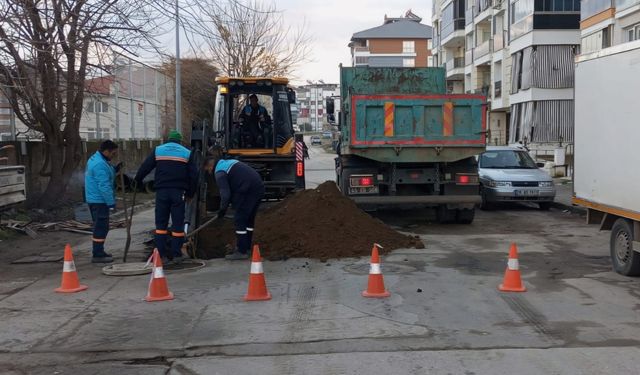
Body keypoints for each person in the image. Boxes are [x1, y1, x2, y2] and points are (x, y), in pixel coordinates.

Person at [135, 130, 198, 264]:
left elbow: (145, 167)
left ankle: (161, 255)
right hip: (178, 192)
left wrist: (137, 181)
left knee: (161, 225)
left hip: (162, 191)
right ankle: (176, 255)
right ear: (180, 141)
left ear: (168, 140)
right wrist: (190, 194)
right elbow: (194, 175)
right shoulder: (186, 153)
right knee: (177, 224)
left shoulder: (158, 150)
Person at [203, 156, 265, 260]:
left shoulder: (219, 172)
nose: (209, 173)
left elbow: (225, 194)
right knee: (249, 220)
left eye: (208, 170)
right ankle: (247, 248)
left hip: (246, 190)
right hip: (258, 187)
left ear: (210, 166)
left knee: (240, 219)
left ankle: (241, 251)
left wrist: (222, 209)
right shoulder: (229, 162)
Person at [85, 140, 122, 263]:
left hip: (95, 199)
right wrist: (111, 203)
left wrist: (115, 169)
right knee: (101, 227)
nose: (114, 156)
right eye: (113, 153)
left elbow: (105, 174)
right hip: (99, 200)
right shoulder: (99, 164)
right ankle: (98, 254)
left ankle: (99, 251)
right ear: (106, 151)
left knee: (101, 226)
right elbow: (104, 185)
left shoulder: (97, 159)